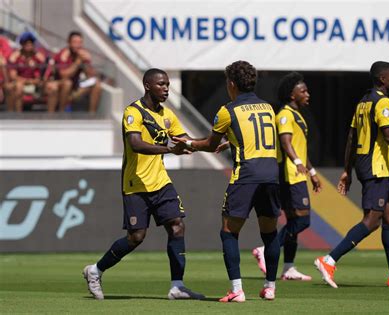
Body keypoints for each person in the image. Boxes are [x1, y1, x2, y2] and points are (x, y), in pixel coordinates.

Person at [82, 68, 204, 300]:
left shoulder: (167, 115)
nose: (166, 88)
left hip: (161, 182)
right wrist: (170, 149)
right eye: (161, 84)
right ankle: (95, 271)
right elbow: (136, 144)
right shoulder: (133, 112)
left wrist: (213, 143)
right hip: (135, 184)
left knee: (177, 226)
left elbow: (185, 141)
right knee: (136, 237)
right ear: (147, 85)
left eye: (168, 84)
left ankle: (177, 286)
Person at [314, 61, 389, 289]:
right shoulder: (382, 101)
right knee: (372, 220)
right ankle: (329, 260)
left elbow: (351, 138)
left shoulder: (363, 103)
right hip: (375, 167)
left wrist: (347, 169)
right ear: (381, 79)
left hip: (370, 166)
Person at [174, 60, 281, 302]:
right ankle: (270, 287)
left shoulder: (228, 110)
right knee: (270, 232)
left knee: (228, 232)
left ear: (231, 83)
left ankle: (237, 290)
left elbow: (210, 145)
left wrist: (188, 143)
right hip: (272, 175)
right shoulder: (267, 108)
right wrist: (233, 142)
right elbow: (256, 136)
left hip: (246, 175)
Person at [252, 72, 322, 281]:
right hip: (290, 174)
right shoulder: (285, 114)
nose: (307, 94)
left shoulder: (297, 115)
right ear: (292, 95)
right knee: (303, 220)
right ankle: (265, 249)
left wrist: (312, 171)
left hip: (299, 173)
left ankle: (288, 268)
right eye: (303, 91)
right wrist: (299, 164)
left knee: (294, 222)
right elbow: (286, 143)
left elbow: (300, 148)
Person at [5, 32, 58, 112]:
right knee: (17, 87)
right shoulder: (15, 57)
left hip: (37, 86)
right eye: (26, 44)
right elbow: (13, 76)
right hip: (21, 84)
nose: (29, 46)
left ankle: (51, 118)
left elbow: (45, 74)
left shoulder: (40, 57)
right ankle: (17, 117)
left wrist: (41, 79)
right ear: (22, 45)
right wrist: (27, 81)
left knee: (53, 87)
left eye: (31, 43)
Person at [54, 31, 101, 113]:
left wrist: (87, 61)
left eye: (80, 42)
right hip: (60, 85)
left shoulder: (82, 54)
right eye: (75, 42)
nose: (77, 45)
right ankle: (61, 112)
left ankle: (92, 115)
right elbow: (64, 75)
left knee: (96, 83)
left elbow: (91, 75)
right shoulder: (63, 55)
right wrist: (78, 62)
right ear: (69, 43)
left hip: (76, 86)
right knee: (67, 83)